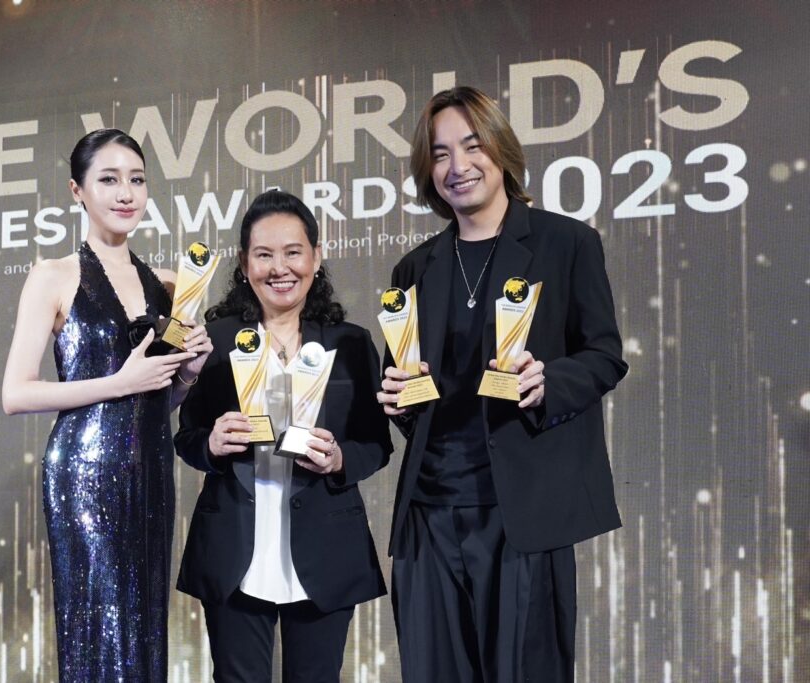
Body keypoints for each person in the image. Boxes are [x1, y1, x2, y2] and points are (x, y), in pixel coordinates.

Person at [377, 86, 628, 681]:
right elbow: (410, 389)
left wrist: (548, 381)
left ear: (501, 149)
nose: (458, 166)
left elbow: (604, 355)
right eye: (440, 154)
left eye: (472, 146)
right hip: (430, 512)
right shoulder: (415, 268)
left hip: (523, 508)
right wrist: (398, 399)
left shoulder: (566, 243)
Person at [1, 128, 212, 682]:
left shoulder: (172, 284)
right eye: (109, 179)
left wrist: (188, 374)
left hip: (151, 471)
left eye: (137, 180)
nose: (126, 193)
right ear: (78, 191)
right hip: (83, 473)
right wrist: (119, 381)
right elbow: (16, 393)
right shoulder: (52, 276)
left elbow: (158, 401)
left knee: (143, 620)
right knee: (99, 622)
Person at [174, 189, 392, 683]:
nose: (280, 268)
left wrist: (339, 460)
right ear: (244, 263)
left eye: (293, 252)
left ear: (316, 256)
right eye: (264, 254)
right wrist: (211, 445)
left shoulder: (351, 342)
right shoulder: (216, 339)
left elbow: (376, 444)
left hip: (325, 547)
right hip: (235, 546)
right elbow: (187, 437)